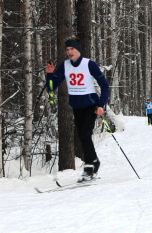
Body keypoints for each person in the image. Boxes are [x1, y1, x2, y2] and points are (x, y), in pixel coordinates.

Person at [45, 38, 109, 181]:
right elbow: (51, 87)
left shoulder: (89, 64)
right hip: (77, 107)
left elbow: (104, 85)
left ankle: (91, 166)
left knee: (85, 134)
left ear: (78, 50)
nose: (69, 52)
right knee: (82, 136)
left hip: (90, 105)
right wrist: (49, 74)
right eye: (67, 50)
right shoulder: (64, 66)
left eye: (72, 49)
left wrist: (101, 105)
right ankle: (92, 163)